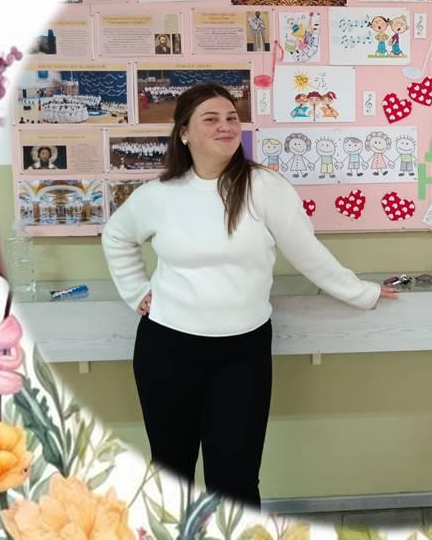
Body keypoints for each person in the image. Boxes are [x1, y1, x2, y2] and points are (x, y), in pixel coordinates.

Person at [101, 83, 398, 505]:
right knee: (171, 470)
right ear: (184, 133)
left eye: (231, 118)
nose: (225, 126)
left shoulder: (264, 187)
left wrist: (361, 292)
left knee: (235, 479)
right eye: (211, 119)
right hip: (167, 349)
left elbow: (308, 253)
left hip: (242, 354)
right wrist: (136, 291)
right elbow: (116, 235)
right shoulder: (159, 195)